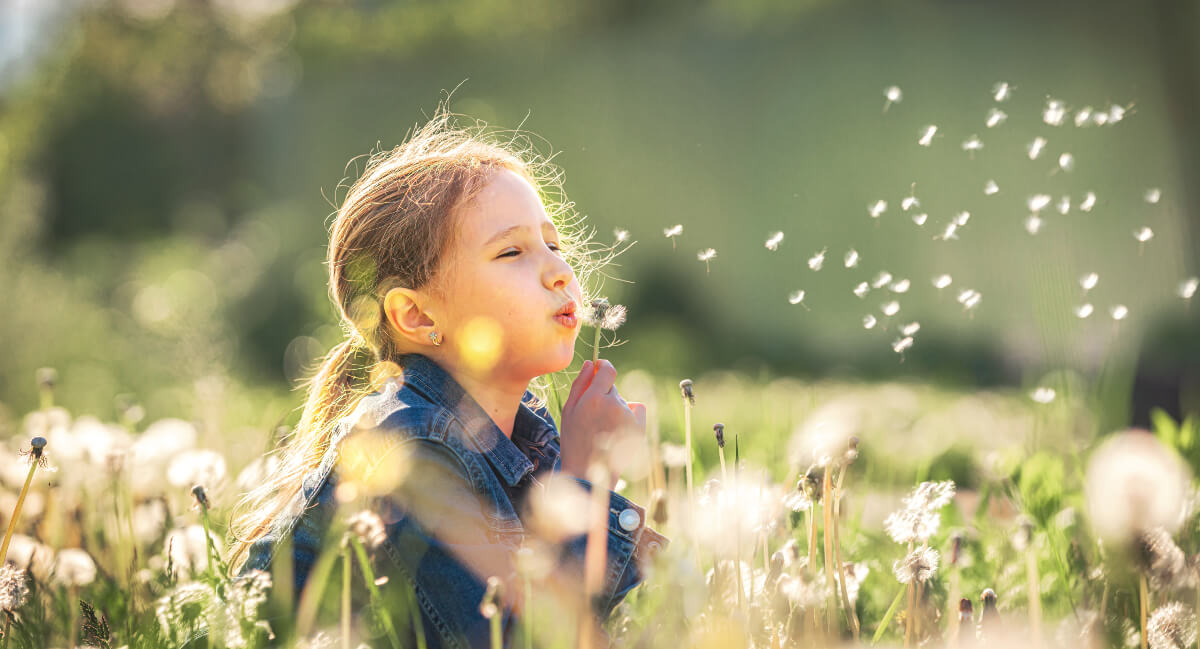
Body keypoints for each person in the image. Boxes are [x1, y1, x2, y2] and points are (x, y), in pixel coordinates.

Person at [225, 105, 667, 648]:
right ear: (417, 316)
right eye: (512, 251)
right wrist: (587, 479)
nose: (560, 271)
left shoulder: (520, 437)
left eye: (553, 244)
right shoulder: (409, 450)